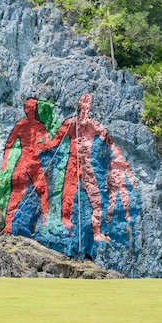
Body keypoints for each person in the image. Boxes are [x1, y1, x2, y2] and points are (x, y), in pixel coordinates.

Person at [44, 93, 112, 243]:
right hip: (73, 162)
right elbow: (55, 141)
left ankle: (97, 232)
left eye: (89, 102)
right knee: (68, 193)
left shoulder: (94, 125)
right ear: (79, 104)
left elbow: (108, 141)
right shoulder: (70, 123)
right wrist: (41, 145)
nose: (87, 104)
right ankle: (65, 221)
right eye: (84, 101)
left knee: (96, 200)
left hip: (86, 164)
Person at [1, 98, 50, 234]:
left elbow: (47, 141)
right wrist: (5, 161)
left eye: (33, 107)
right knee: (17, 191)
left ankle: (46, 219)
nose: (31, 109)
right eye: (29, 107)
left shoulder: (39, 125)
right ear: (25, 109)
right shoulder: (21, 124)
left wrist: (42, 145)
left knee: (43, 190)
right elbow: (9, 143)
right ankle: (8, 224)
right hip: (25, 160)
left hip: (34, 161)